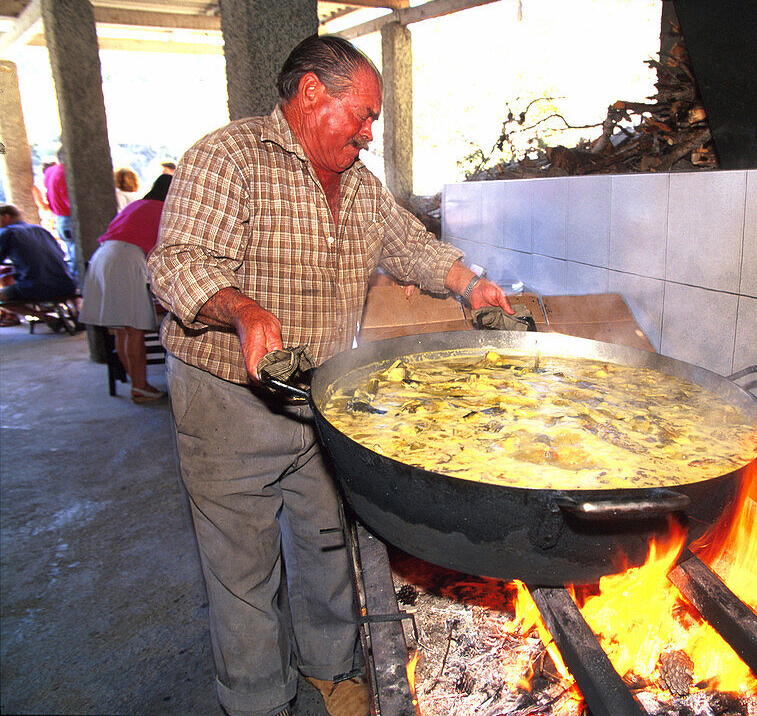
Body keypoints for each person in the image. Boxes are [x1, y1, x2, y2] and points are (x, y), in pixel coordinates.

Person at [147, 35, 513, 716]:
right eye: (364, 113)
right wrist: (242, 308)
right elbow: (176, 263)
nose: (370, 133)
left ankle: (334, 670)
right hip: (228, 398)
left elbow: (412, 247)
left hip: (320, 394)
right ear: (312, 93)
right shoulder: (229, 157)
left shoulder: (362, 188)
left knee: (323, 540)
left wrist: (473, 283)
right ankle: (258, 699)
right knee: (243, 568)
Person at [80, 174, 172, 403]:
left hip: (103, 256)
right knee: (134, 329)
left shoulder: (137, 205)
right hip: (125, 259)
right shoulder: (164, 209)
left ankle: (137, 383)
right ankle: (140, 386)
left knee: (122, 329)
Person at [0, 204, 77, 328]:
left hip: (37, 287)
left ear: (6, 216)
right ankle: (77, 313)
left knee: (3, 297)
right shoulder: (39, 229)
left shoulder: (7, 233)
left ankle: (45, 317)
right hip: (67, 284)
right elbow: (60, 254)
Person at [43, 155, 76, 275]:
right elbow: (72, 203)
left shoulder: (51, 171)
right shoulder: (65, 174)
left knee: (72, 255)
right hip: (70, 219)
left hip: (60, 219)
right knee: (77, 259)